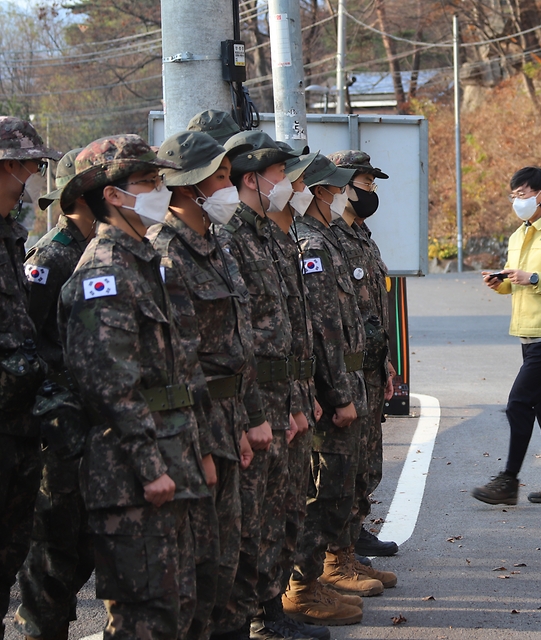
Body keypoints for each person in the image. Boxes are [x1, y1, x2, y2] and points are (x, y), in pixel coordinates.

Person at [57, 134, 209, 639]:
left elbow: (177, 370)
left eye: (160, 180)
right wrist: (149, 467)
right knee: (145, 616)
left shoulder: (145, 263)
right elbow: (110, 385)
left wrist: (194, 450)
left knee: (179, 605)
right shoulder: (104, 272)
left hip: (170, 458)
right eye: (147, 182)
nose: (159, 191)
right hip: (131, 475)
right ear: (114, 196)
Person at [147, 131, 264, 640]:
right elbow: (178, 360)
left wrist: (242, 422)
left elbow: (237, 345)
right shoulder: (164, 253)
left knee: (227, 556)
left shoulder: (215, 245)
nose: (229, 186)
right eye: (219, 177)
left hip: (226, 416)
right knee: (195, 568)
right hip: (194, 425)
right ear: (190, 186)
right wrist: (199, 446)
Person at [216, 131, 324, 640]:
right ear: (251, 178)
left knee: (281, 510)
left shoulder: (268, 234)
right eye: (279, 174)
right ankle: (254, 617)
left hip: (284, 397)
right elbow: (238, 341)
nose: (286, 183)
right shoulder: (230, 235)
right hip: (254, 402)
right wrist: (250, 416)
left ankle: (271, 610)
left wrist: (301, 401)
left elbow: (291, 331)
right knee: (252, 519)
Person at [283, 151, 373, 626]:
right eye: (337, 189)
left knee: (339, 485)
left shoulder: (328, 238)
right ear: (318, 191)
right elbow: (320, 328)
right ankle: (303, 584)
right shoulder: (310, 245)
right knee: (322, 490)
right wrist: (335, 393)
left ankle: (319, 575)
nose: (344, 197)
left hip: (348, 376)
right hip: (330, 384)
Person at [15, 148, 97, 640]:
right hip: (55, 431)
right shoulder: (50, 258)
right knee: (51, 555)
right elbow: (24, 339)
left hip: (86, 428)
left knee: (82, 547)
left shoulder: (92, 250)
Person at [472, 166, 541, 505]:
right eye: (513, 196)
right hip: (527, 334)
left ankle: (509, 479)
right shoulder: (518, 235)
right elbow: (516, 285)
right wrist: (500, 283)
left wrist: (533, 278)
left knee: (519, 403)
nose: (517, 202)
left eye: (522, 195)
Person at [0, 116, 61, 637]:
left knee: (9, 560)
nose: (36, 179)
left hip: (19, 431)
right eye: (32, 167)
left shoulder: (10, 238)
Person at [328, 150, 400, 563]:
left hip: (370, 362)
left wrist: (386, 358)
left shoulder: (361, 234)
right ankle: (342, 541)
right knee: (348, 458)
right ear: (343, 185)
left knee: (369, 457)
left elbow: (373, 306)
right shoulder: (330, 235)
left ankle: (356, 528)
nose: (372, 192)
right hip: (347, 365)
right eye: (366, 183)